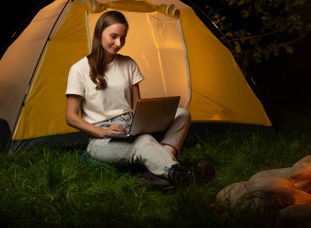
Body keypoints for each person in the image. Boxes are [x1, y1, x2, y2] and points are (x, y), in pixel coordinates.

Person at [65, 10, 214, 187]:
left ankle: (158, 167)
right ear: (99, 33)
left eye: (123, 37)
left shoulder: (129, 63)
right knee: (143, 142)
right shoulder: (79, 69)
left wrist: (143, 125)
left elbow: (137, 106)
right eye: (113, 36)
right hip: (101, 139)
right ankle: (182, 175)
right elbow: (71, 117)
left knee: (182, 114)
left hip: (131, 126)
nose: (119, 43)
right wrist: (102, 132)